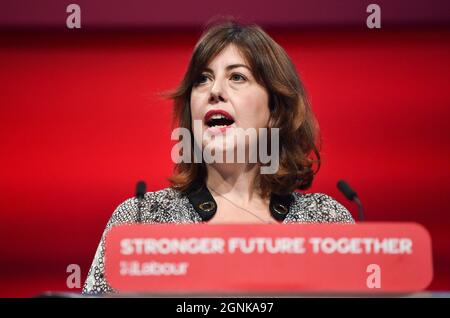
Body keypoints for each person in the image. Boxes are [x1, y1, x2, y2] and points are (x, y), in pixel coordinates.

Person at [82, 20, 354, 295]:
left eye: (237, 77)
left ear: (275, 111)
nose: (214, 91)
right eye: (203, 79)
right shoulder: (143, 219)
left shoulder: (325, 221)